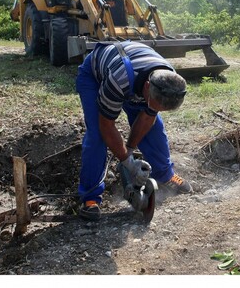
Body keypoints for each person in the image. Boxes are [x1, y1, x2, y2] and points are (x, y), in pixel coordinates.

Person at [75, 41, 192, 221]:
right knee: (97, 136)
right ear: (147, 87)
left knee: (155, 128)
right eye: (153, 103)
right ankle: (90, 198)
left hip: (133, 78)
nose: (153, 108)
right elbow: (106, 126)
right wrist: (127, 162)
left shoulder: (170, 81)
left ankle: (165, 175)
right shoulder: (119, 80)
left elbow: (148, 117)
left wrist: (129, 149)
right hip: (95, 76)